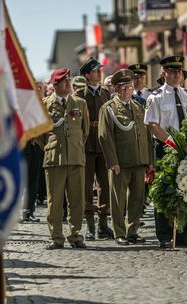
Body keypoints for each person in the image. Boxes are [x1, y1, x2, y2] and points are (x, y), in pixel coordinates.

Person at [144, 55, 187, 248]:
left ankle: (183, 234)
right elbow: (152, 125)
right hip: (165, 148)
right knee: (164, 192)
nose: (177, 75)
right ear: (164, 73)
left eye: (179, 71)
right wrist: (172, 141)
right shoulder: (155, 97)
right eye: (173, 71)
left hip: (186, 149)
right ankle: (165, 236)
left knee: (186, 190)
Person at [98, 69, 154, 245]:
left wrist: (150, 160)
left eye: (129, 86)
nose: (126, 90)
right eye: (122, 87)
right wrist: (112, 161)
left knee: (137, 198)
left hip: (139, 160)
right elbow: (105, 136)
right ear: (115, 89)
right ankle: (119, 232)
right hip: (120, 162)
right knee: (118, 198)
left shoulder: (138, 107)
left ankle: (133, 231)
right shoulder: (108, 109)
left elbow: (147, 136)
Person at [37, 68, 89, 250]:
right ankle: (56, 237)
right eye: (64, 81)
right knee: (55, 201)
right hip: (54, 159)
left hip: (75, 157)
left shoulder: (80, 103)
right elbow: (39, 134)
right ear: (55, 85)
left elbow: (85, 131)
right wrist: (50, 146)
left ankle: (75, 235)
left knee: (77, 199)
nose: (68, 84)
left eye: (69, 80)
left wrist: (75, 147)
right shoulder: (45, 105)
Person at [74, 57, 113, 240]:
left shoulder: (106, 93)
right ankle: (89, 224)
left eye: (100, 70)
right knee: (87, 187)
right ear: (88, 75)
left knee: (105, 185)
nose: (99, 73)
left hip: (104, 145)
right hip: (87, 145)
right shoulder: (79, 96)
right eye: (96, 70)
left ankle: (103, 224)